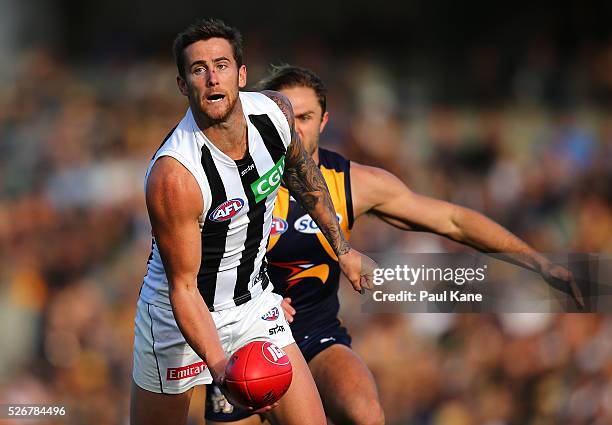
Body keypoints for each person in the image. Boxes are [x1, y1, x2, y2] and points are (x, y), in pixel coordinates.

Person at [204, 65, 584, 425]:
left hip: (314, 335)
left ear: (324, 121)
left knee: (366, 412)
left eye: (305, 118)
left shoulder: (353, 183)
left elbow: (453, 220)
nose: (295, 130)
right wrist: (258, 301)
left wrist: (538, 263)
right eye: (287, 119)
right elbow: (192, 272)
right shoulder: (232, 182)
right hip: (241, 340)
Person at [130, 20, 376, 425]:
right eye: (198, 70)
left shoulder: (275, 113)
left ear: (241, 75)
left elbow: (304, 177)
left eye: (222, 65)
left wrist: (343, 250)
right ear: (182, 84)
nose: (212, 78)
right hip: (178, 321)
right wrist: (219, 365)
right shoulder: (175, 177)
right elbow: (185, 288)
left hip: (253, 305)